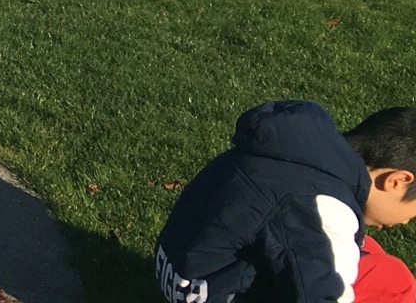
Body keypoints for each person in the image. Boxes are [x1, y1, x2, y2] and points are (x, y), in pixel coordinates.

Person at [155, 101, 416, 302]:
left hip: (185, 275)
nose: (407, 220)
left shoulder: (299, 154)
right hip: (213, 291)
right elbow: (319, 294)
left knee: (365, 250)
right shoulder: (321, 204)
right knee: (392, 280)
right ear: (397, 180)